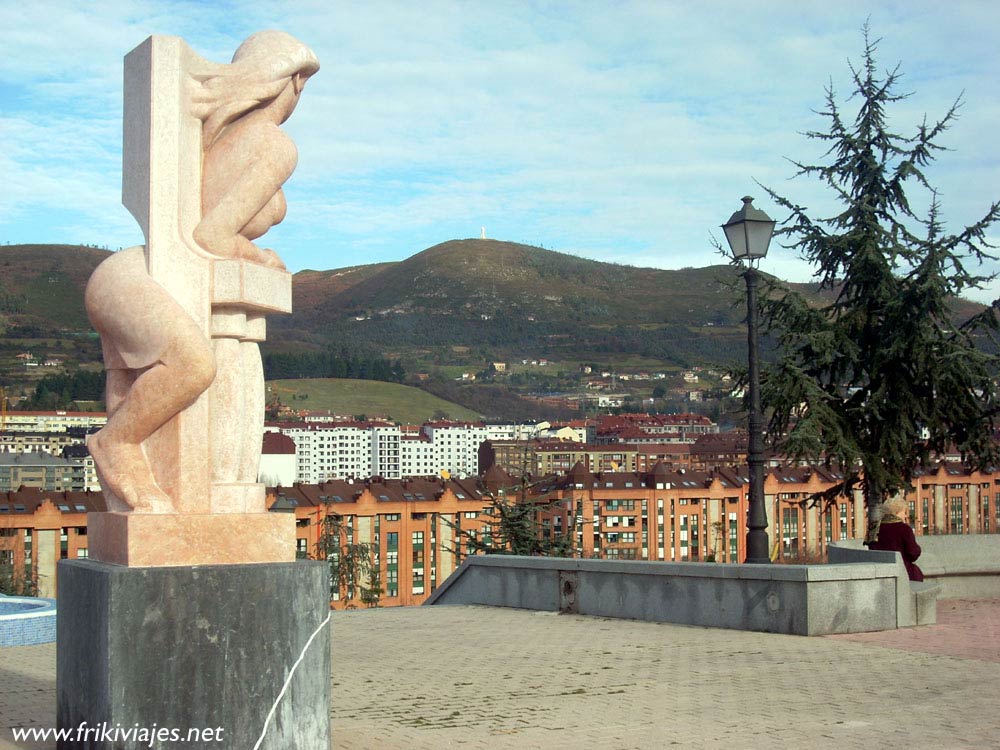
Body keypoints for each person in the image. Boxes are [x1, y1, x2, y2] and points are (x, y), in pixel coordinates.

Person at [85, 32, 318, 512]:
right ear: (290, 81)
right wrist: (256, 256)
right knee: (192, 365)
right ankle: (116, 444)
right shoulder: (273, 145)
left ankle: (136, 496)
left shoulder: (229, 138)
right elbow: (212, 238)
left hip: (141, 271)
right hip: (136, 276)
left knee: (145, 379)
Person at [866, 496, 925, 581]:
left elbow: (871, 550)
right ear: (896, 512)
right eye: (904, 512)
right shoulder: (904, 529)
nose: (905, 516)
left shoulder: (873, 528)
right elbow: (913, 553)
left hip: (880, 572)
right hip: (902, 572)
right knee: (916, 573)